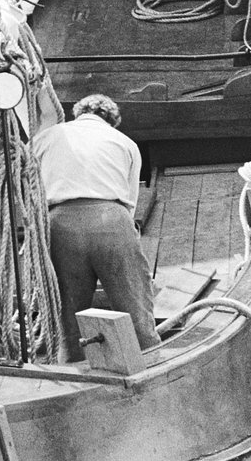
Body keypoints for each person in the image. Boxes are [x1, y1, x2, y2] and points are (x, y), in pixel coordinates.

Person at [34, 92, 158, 361]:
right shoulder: (125, 143)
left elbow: (31, 187)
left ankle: (71, 367)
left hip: (60, 224)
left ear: (78, 114)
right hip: (112, 220)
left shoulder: (47, 137)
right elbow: (130, 203)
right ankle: (150, 356)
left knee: (67, 312)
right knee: (134, 303)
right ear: (112, 121)